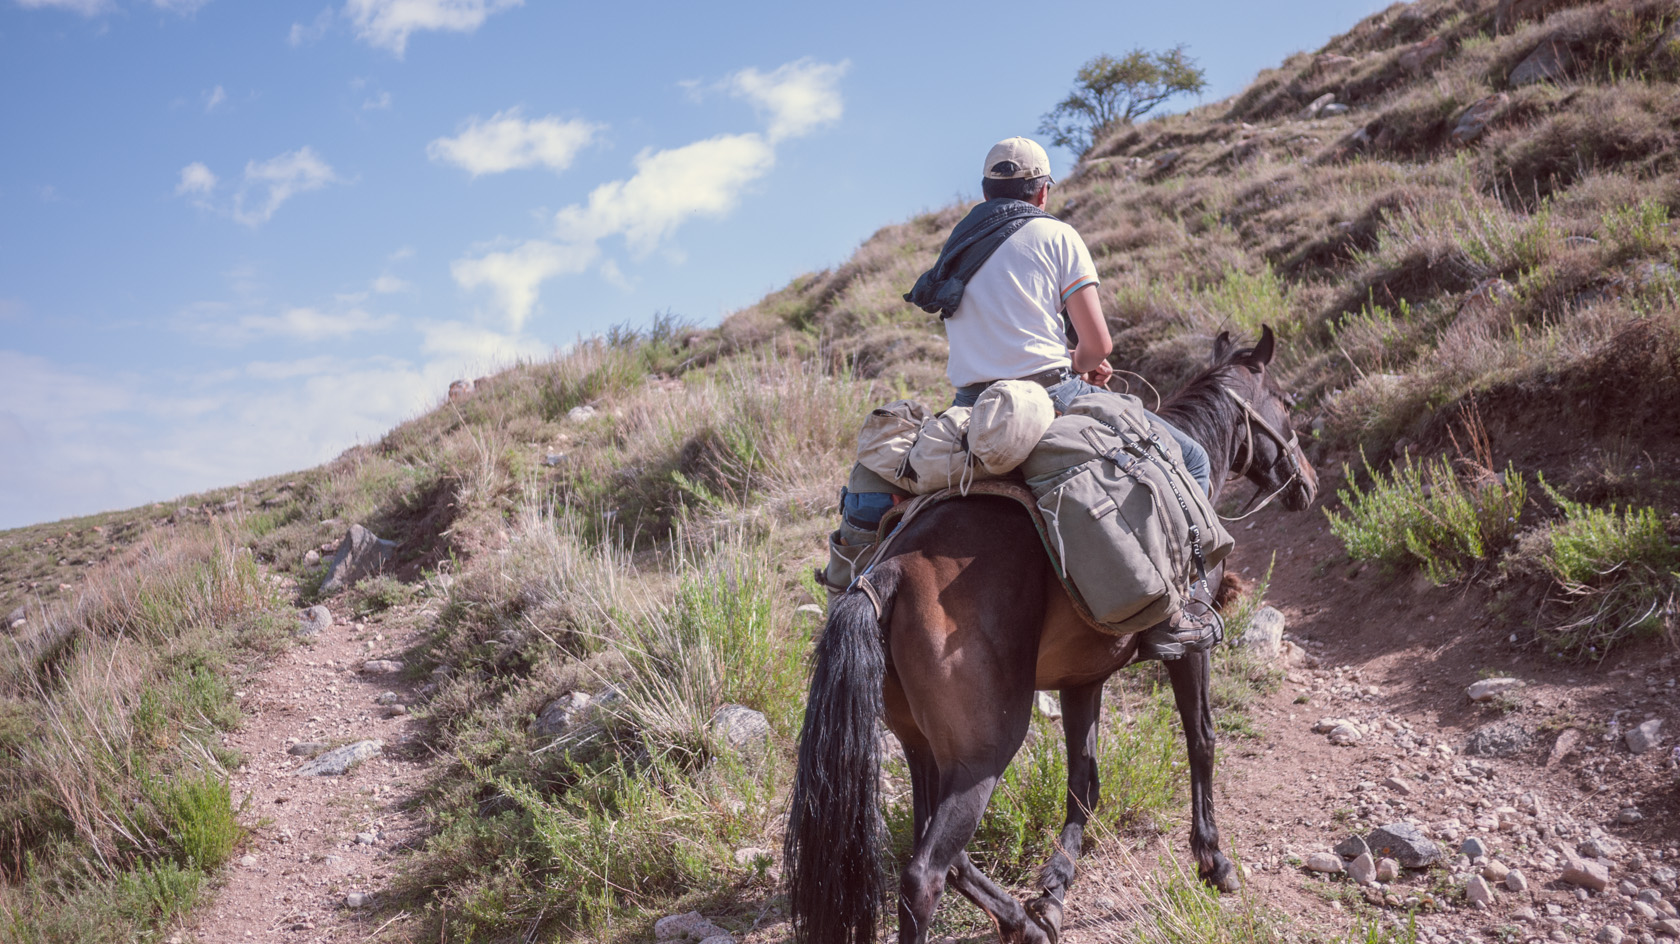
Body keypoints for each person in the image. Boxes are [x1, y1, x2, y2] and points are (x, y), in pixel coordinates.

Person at [822, 137, 1213, 654]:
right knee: (1191, 456)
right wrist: (1084, 365)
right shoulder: (1056, 235)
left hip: (971, 407)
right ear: (1042, 193)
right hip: (1051, 393)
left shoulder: (957, 247)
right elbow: (1098, 344)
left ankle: (844, 603)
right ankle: (1178, 609)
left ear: (987, 193)